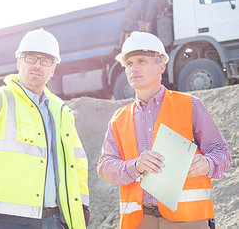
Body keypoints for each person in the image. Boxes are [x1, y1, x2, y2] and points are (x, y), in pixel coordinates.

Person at [0, 29, 90, 229]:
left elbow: (77, 164)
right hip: (7, 220)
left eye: (46, 60)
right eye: (31, 58)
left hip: (57, 221)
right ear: (18, 62)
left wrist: (81, 207)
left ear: (53, 69)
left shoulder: (62, 113)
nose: (38, 65)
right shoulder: (0, 101)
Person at [97, 31, 231, 229]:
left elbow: (222, 153)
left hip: (188, 220)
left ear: (161, 65)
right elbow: (104, 167)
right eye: (129, 64)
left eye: (142, 61)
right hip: (140, 221)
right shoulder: (119, 119)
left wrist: (207, 163)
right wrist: (135, 166)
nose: (134, 68)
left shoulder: (190, 105)